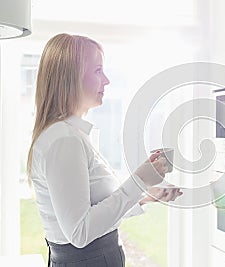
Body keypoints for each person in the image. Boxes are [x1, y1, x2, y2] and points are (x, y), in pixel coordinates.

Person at [27, 33, 182, 267]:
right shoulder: (64, 140)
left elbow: (96, 213)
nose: (107, 80)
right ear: (70, 77)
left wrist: (144, 198)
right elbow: (80, 233)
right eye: (98, 70)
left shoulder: (70, 135)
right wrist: (139, 181)